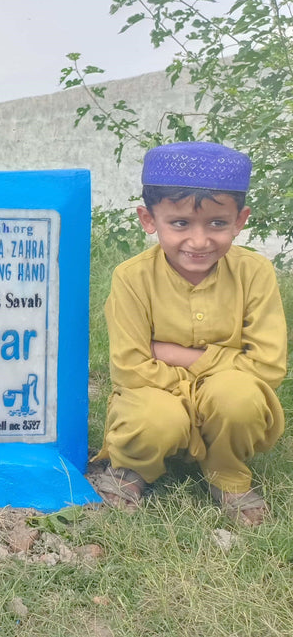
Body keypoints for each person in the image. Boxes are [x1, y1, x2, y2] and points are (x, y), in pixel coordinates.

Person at [93, 142, 287, 526]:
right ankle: (133, 469)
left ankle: (227, 473)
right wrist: (208, 384)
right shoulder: (131, 278)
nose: (199, 242)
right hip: (155, 399)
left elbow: (267, 366)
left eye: (217, 223)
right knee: (156, 416)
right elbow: (131, 370)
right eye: (180, 223)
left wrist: (177, 356)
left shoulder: (256, 273)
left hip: (222, 398)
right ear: (148, 219)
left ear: (240, 220)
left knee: (239, 398)